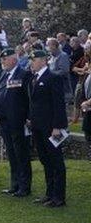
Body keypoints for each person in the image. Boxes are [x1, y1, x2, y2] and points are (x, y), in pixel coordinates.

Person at [27, 50, 68, 207]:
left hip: (51, 127)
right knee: (45, 160)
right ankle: (49, 193)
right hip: (38, 126)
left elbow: (58, 104)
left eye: (34, 60)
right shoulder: (34, 78)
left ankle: (59, 196)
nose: (31, 62)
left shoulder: (53, 78)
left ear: (43, 61)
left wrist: (57, 126)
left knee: (56, 161)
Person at [0, 49, 32, 197]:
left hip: (18, 121)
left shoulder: (24, 75)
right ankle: (15, 184)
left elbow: (28, 99)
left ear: (14, 60)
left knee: (21, 154)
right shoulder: (4, 74)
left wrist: (28, 118)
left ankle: (24, 186)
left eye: (5, 59)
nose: (2, 62)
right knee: (11, 153)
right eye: (1, 59)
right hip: (5, 120)